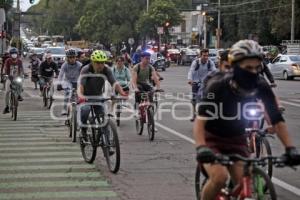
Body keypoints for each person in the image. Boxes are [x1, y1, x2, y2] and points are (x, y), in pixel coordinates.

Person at [194, 40, 300, 200]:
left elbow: (277, 119)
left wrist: (290, 148)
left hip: (237, 139)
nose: (253, 72)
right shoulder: (217, 86)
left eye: (257, 68)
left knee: (244, 182)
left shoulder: (261, 85)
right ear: (235, 67)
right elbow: (200, 121)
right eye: (248, 68)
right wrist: (202, 147)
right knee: (220, 177)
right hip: (212, 139)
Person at [78, 50, 127, 139]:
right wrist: (81, 96)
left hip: (98, 96)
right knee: (85, 110)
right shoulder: (86, 69)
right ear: (92, 62)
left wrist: (122, 93)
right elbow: (81, 85)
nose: (100, 65)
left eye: (102, 62)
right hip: (86, 97)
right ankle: (83, 129)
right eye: (97, 63)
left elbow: (114, 83)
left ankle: (107, 142)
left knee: (104, 117)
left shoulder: (106, 69)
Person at [188, 48, 216, 121]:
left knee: (209, 98)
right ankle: (194, 114)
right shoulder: (196, 62)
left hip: (206, 83)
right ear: (200, 55)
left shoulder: (210, 63)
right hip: (196, 82)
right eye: (204, 55)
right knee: (194, 99)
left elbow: (215, 72)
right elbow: (191, 71)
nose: (206, 57)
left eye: (207, 55)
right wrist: (190, 79)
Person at [57, 48, 82, 115]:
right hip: (67, 82)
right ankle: (64, 109)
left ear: (76, 57)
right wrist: (59, 84)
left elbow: (83, 74)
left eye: (73, 57)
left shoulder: (79, 65)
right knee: (67, 95)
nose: (72, 59)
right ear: (67, 58)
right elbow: (61, 74)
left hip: (76, 82)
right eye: (70, 57)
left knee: (78, 96)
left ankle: (78, 109)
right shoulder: (65, 65)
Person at [2, 48, 24, 114]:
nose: (14, 55)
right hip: (9, 78)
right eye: (12, 54)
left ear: (17, 54)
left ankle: (19, 95)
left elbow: (21, 69)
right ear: (10, 54)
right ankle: (7, 107)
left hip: (17, 78)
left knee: (20, 84)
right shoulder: (7, 61)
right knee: (7, 92)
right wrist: (5, 74)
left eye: (15, 53)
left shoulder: (19, 61)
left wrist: (23, 74)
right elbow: (5, 68)